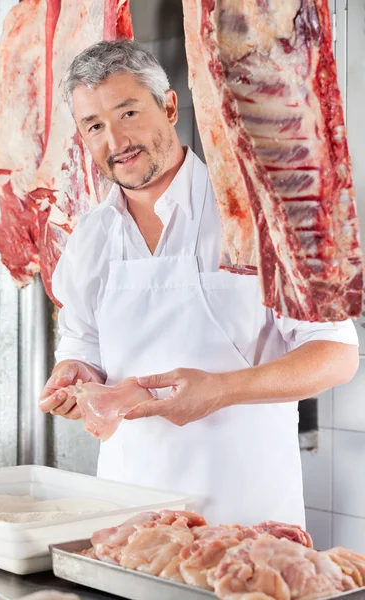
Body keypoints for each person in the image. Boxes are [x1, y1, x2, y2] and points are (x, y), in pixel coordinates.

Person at [39, 39, 359, 526]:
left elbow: (336, 355)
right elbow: (84, 347)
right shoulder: (90, 237)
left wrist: (222, 389)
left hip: (248, 516)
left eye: (128, 113)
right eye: (95, 126)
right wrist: (75, 375)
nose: (116, 141)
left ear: (168, 106)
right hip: (129, 518)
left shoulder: (253, 214)